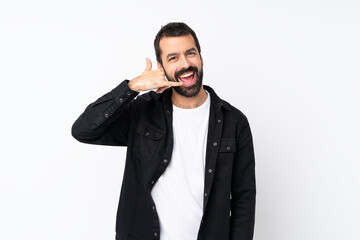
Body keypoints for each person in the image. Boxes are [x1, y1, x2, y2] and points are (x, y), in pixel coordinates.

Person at [72, 22, 256, 240]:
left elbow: (244, 200)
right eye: (173, 58)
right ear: (161, 67)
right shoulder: (143, 112)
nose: (186, 64)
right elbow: (83, 130)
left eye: (190, 53)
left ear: (201, 57)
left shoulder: (234, 121)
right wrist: (132, 87)